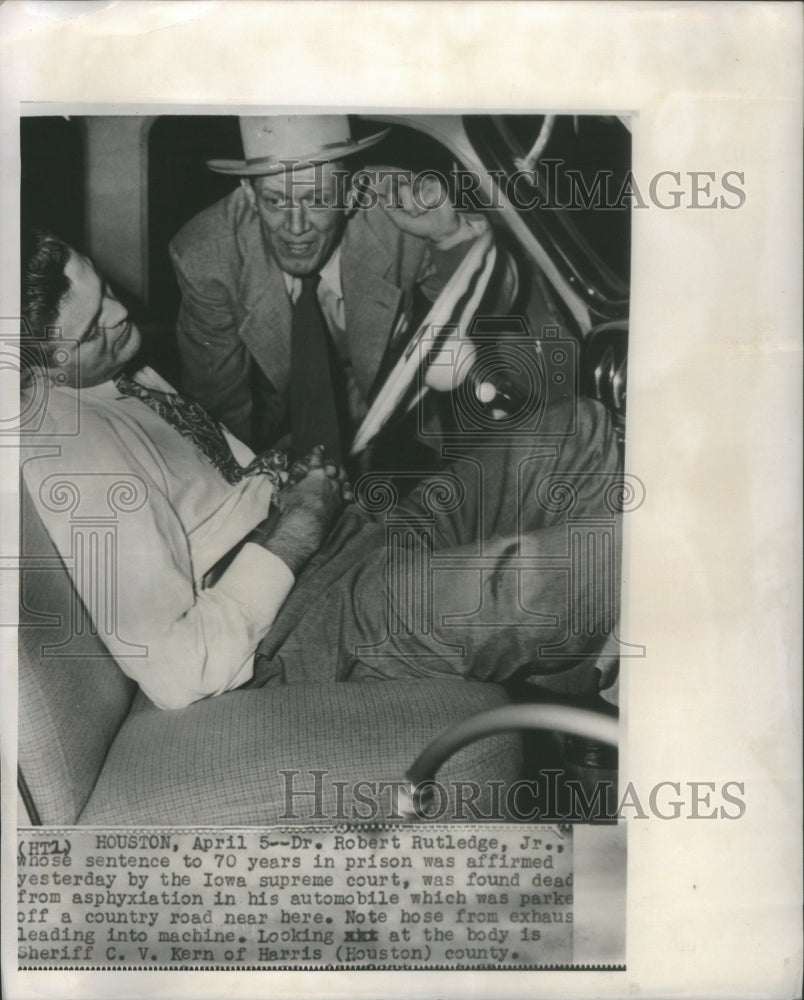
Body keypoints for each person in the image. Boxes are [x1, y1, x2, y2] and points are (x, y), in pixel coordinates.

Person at [20, 232, 622, 712]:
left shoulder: (108, 376)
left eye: (104, 293)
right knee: (607, 557)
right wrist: (302, 520)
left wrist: (282, 484)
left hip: (351, 539)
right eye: (93, 327)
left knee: (579, 430)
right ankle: (613, 655)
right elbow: (179, 672)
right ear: (32, 368)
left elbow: (207, 506)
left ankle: (593, 660)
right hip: (310, 625)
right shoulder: (74, 460)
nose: (123, 312)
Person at [169, 114, 510, 457]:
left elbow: (493, 310)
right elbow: (216, 412)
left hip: (399, 414)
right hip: (277, 429)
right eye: (274, 201)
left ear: (350, 194)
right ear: (247, 194)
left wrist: (448, 235)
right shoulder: (207, 257)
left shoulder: (400, 208)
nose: (296, 226)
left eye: (317, 199)